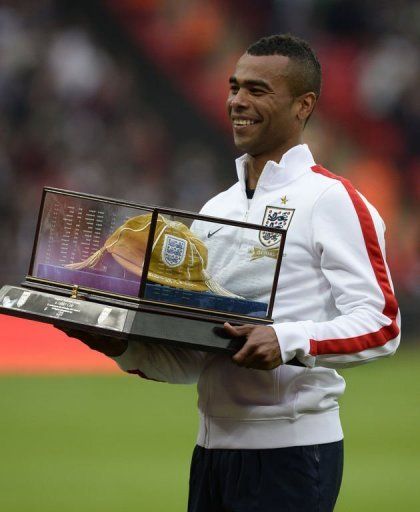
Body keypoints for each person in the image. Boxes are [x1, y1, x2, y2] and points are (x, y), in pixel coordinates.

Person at [64, 34, 400, 511]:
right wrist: (121, 344)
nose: (238, 101)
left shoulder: (332, 200)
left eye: (258, 90)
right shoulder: (216, 209)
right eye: (234, 87)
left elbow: (383, 325)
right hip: (213, 453)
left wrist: (286, 340)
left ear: (304, 105)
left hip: (293, 452)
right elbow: (202, 354)